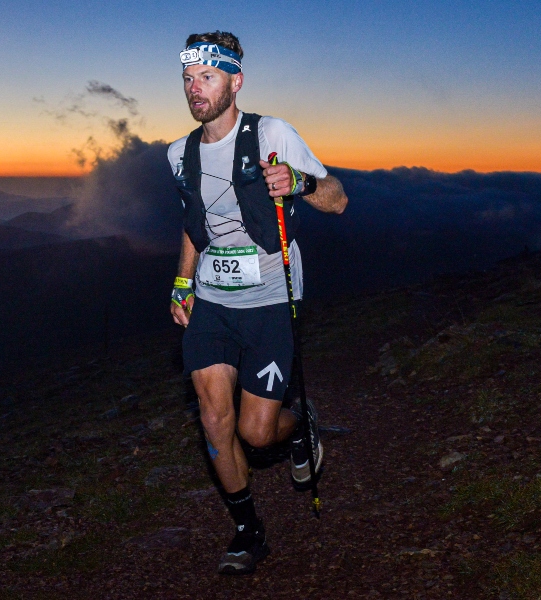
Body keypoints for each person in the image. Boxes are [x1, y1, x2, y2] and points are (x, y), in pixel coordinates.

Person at [167, 31, 348, 575]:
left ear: (234, 81)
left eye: (208, 77)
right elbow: (195, 226)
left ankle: (301, 426)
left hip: (271, 298)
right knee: (213, 415)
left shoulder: (273, 133)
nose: (195, 89)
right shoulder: (180, 154)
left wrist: (298, 181)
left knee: (256, 432)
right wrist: (182, 283)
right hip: (213, 302)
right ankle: (248, 531)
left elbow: (337, 201)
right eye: (188, 79)